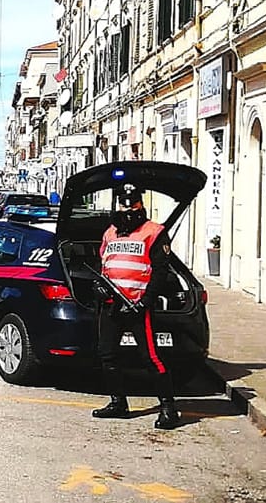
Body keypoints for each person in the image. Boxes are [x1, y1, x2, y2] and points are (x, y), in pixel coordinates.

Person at [91, 181, 180, 430]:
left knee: (150, 357)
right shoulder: (110, 232)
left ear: (140, 205)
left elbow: (160, 272)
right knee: (107, 354)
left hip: (138, 305)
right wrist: (99, 287)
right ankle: (118, 403)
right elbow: (104, 263)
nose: (127, 210)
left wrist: (146, 302)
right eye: (123, 205)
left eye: (133, 205)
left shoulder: (154, 231)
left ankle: (168, 408)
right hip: (112, 304)